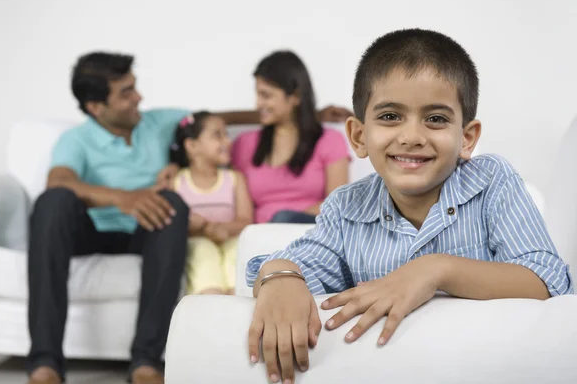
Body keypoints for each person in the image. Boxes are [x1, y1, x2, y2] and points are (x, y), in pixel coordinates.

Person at [245, 29, 574, 384]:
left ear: (467, 138)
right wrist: (279, 276)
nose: (412, 136)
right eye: (390, 116)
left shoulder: (492, 181)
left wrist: (436, 270)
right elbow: (299, 266)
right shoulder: (345, 208)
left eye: (435, 119)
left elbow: (548, 280)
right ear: (359, 136)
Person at [26, 51, 350, 384]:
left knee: (171, 202)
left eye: (134, 87)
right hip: (92, 230)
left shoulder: (157, 122)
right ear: (96, 107)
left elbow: (217, 118)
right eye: (126, 93)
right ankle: (44, 362)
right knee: (53, 201)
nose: (139, 97)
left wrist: (307, 113)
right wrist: (124, 198)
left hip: (149, 230)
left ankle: (145, 361)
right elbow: (59, 180)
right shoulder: (75, 141)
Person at [231, 51, 350, 224]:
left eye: (266, 95)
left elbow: (338, 204)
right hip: (260, 240)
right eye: (257, 94)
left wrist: (286, 222)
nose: (258, 103)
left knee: (283, 218)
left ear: (295, 97)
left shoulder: (329, 140)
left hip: (312, 235)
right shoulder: (244, 144)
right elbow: (241, 214)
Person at [170, 111, 253, 295]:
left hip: (229, 239)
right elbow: (170, 223)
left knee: (235, 251)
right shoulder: (177, 181)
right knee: (202, 250)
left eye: (226, 135)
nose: (227, 141)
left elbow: (245, 220)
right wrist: (197, 226)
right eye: (218, 135)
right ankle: (210, 296)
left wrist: (223, 229)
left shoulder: (234, 178)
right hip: (197, 241)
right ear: (192, 145)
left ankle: (238, 298)